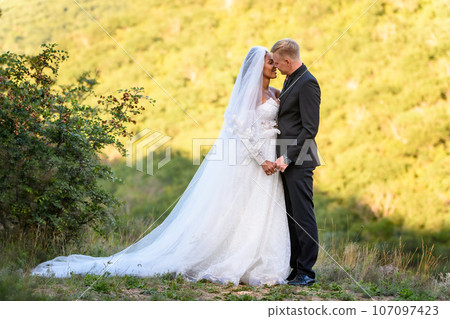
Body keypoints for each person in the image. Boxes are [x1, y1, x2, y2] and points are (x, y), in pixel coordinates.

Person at [31, 46, 291, 286]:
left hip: (271, 154)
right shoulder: (250, 95)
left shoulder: (274, 93)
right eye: (271, 62)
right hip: (254, 159)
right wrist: (262, 160)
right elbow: (240, 129)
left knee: (261, 208)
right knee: (237, 207)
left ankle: (259, 259)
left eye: (275, 62)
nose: (275, 66)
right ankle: (231, 257)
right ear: (259, 66)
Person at [272, 39, 321, 286]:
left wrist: (288, 157)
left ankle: (307, 272)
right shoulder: (290, 78)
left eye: (278, 63)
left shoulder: (308, 83)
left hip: (299, 160)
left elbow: (310, 129)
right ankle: (295, 267)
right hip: (286, 160)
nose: (276, 67)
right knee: (291, 215)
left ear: (288, 61)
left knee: (303, 215)